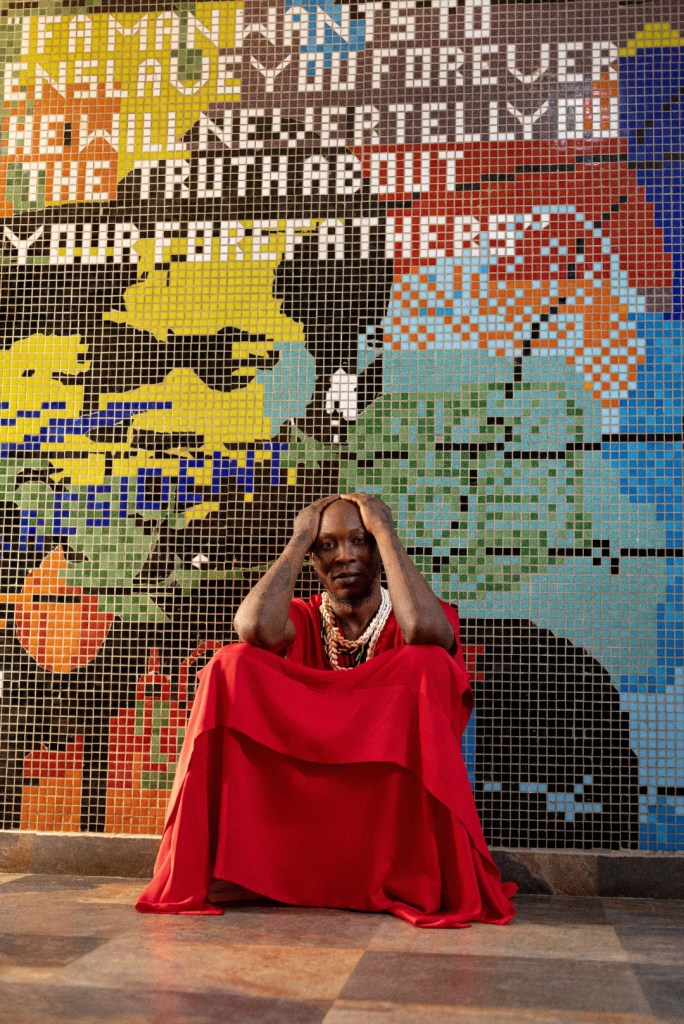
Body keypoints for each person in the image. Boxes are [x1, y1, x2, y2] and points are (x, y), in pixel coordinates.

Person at [136, 493, 517, 926]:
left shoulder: (421, 614)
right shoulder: (300, 618)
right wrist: (299, 539)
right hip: (300, 803)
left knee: (427, 661)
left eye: (359, 540)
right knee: (231, 662)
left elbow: (424, 630)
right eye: (328, 544)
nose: (345, 555)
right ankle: (256, 869)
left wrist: (385, 531)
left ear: (378, 548)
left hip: (386, 812)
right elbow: (253, 628)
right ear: (314, 559)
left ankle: (410, 876)